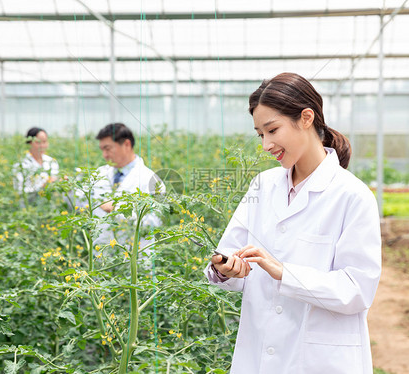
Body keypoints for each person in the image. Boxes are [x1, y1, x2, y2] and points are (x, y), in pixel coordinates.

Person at [205, 73, 381, 373]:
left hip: (319, 360)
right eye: (260, 135)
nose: (266, 145)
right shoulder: (263, 185)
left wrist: (284, 273)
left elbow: (358, 290)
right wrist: (225, 269)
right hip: (258, 354)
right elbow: (230, 256)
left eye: (272, 130)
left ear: (306, 118)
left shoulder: (352, 195)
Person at [74, 123, 163, 247]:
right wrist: (68, 189)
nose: (104, 155)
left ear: (126, 144)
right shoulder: (98, 174)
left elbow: (154, 223)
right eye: (102, 150)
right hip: (102, 256)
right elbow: (80, 203)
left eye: (108, 148)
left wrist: (118, 211)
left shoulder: (151, 179)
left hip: (134, 258)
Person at [13, 127, 59, 205]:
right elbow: (20, 192)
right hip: (30, 208)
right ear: (29, 142)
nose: (42, 146)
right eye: (38, 142)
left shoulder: (52, 162)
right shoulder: (21, 165)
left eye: (44, 142)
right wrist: (44, 186)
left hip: (49, 206)